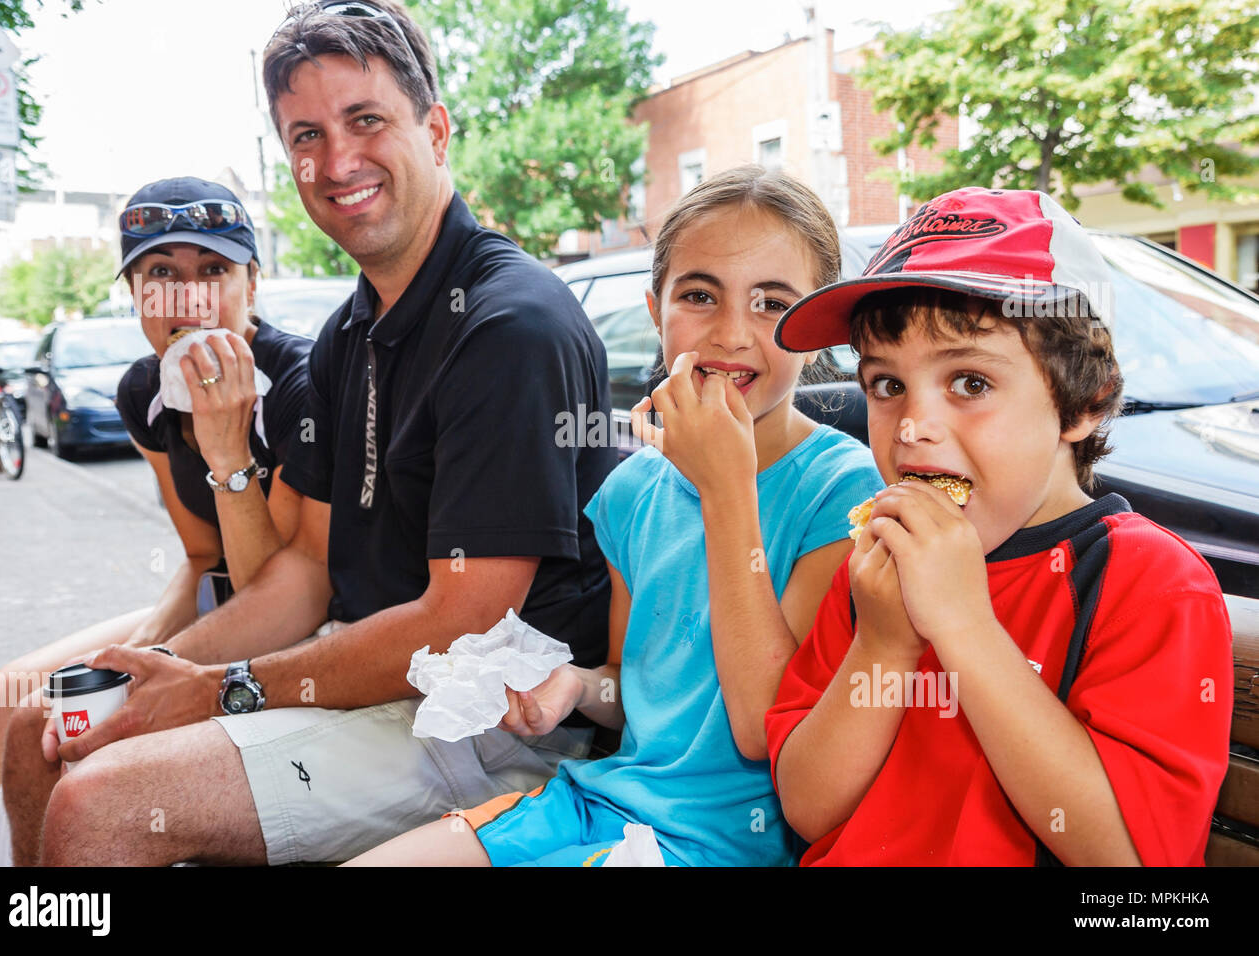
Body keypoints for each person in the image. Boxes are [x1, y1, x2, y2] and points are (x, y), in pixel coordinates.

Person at [28, 0, 614, 866]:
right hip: (374, 678)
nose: (336, 160)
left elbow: (461, 622)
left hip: (500, 719)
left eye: (365, 119)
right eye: (306, 134)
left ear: (437, 130)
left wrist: (217, 691)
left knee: (97, 805)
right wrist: (157, 671)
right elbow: (303, 572)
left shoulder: (510, 324)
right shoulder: (351, 331)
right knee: (55, 730)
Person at [347, 165, 883, 867]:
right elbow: (634, 686)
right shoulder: (632, 491)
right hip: (599, 801)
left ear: (812, 331)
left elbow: (764, 728)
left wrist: (727, 493)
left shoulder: (843, 491)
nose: (731, 332)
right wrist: (574, 685)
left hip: (726, 842)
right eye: (699, 295)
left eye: (771, 302)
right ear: (656, 309)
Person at [765, 186, 1234, 866]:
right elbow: (807, 807)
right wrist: (885, 646)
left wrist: (964, 627)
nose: (913, 428)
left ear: (1083, 404)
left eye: (971, 384)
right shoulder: (873, 566)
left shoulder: (1148, 586)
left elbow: (1128, 862)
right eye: (887, 386)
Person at [0, 177, 313, 865]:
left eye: (214, 271)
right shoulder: (144, 388)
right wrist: (133, 649)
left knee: (65, 737)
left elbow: (286, 593)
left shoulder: (298, 386)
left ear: (252, 284)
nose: (188, 298)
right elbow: (200, 556)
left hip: (297, 619)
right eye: (161, 273)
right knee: (5, 700)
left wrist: (227, 450)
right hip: (218, 595)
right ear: (136, 295)